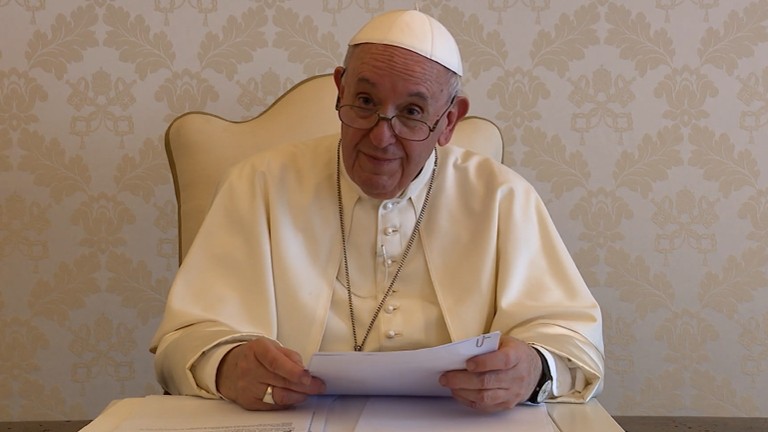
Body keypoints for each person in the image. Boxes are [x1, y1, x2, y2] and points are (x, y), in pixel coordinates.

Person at [150, 9, 604, 413]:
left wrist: (531, 368)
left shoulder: (503, 198)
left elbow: (572, 342)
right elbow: (186, 339)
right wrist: (227, 364)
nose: (381, 137)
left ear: (448, 122)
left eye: (411, 112)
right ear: (340, 89)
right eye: (365, 103)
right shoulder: (259, 184)